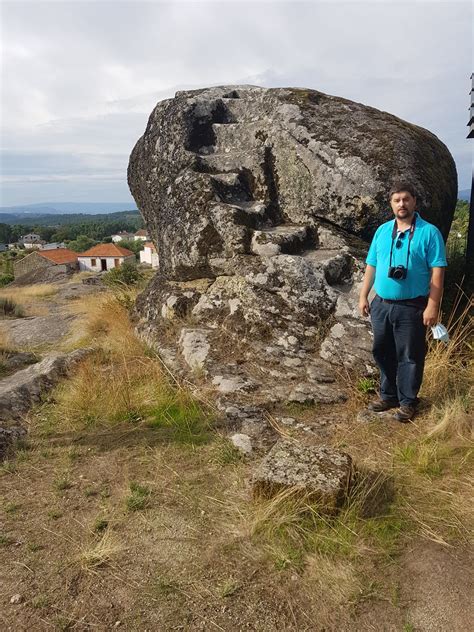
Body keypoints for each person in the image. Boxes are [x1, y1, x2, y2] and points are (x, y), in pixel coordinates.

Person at [358, 181, 447, 422]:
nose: (401, 204)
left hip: (412, 306)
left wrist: (432, 305)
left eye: (406, 199)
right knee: (382, 351)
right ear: (390, 203)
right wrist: (363, 295)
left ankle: (408, 401)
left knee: (410, 355)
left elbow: (438, 271)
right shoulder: (383, 231)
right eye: (396, 200)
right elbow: (371, 265)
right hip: (381, 304)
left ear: (414, 202)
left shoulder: (429, 233)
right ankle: (388, 395)